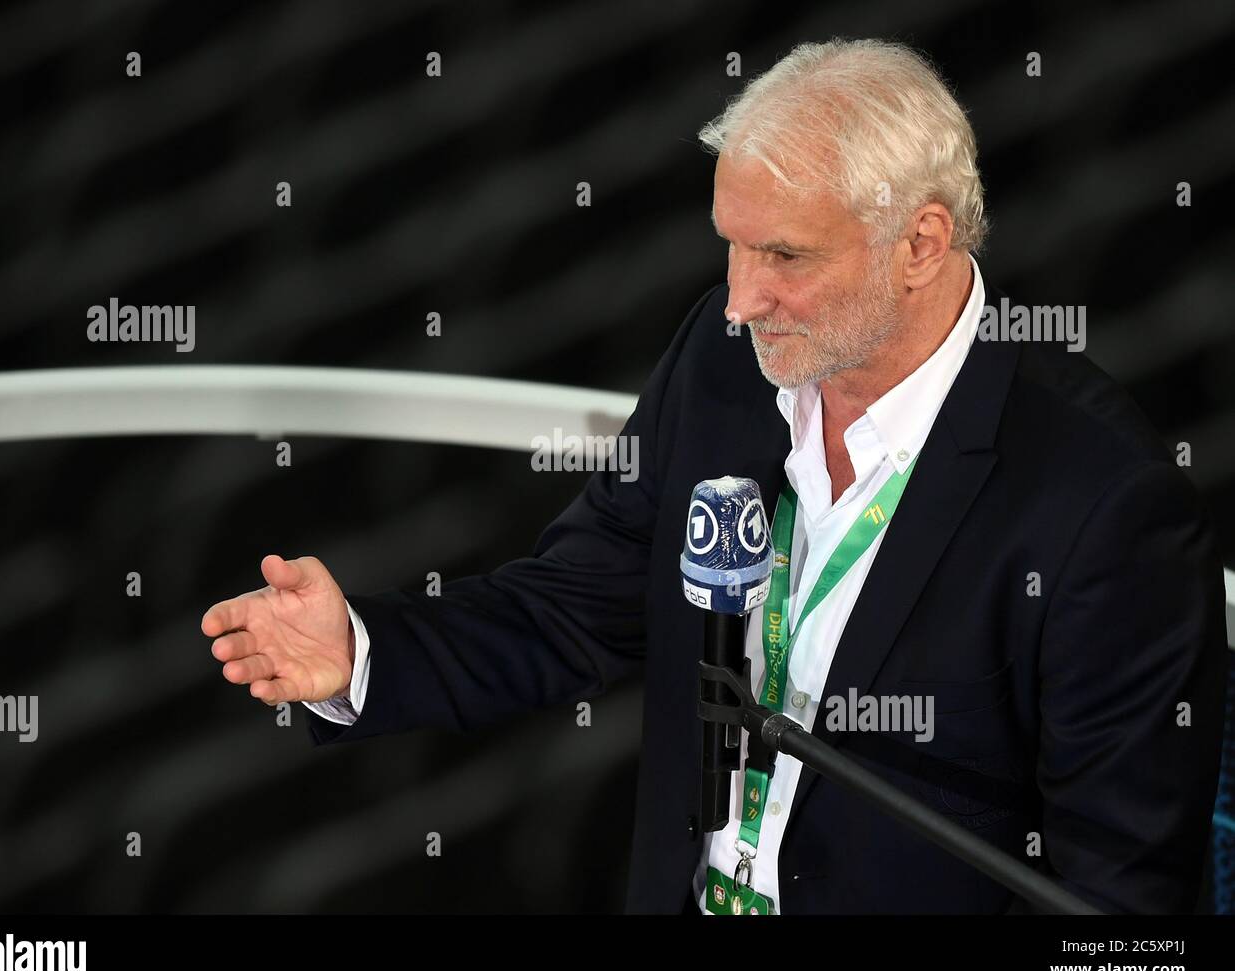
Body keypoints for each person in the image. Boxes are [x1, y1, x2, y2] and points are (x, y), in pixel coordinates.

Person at [201, 38, 1227, 914]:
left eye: (783, 256)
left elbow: (1116, 912)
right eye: (730, 248)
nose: (740, 300)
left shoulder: (1100, 506)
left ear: (919, 244)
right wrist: (364, 645)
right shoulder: (723, 360)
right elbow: (576, 605)